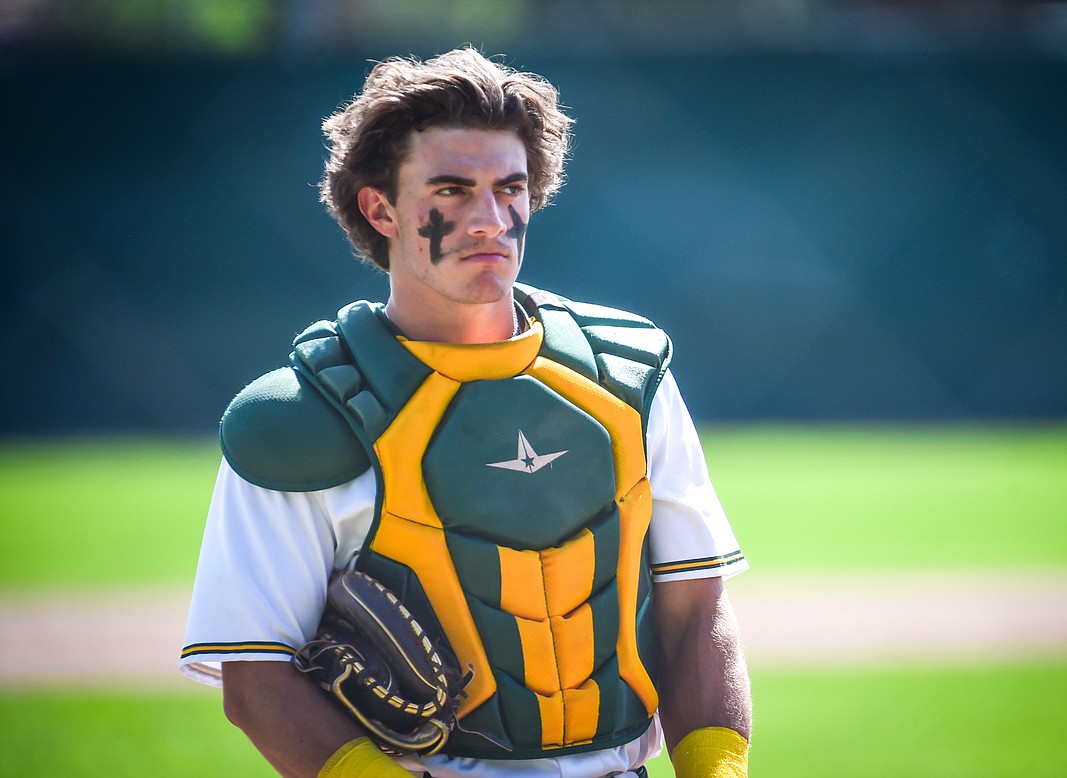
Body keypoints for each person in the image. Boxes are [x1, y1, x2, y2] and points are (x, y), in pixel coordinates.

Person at [180, 46, 751, 778]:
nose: (489, 218)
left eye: (510, 188)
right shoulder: (301, 420)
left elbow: (695, 610)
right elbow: (257, 682)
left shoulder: (627, 375)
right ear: (379, 207)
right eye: (451, 190)